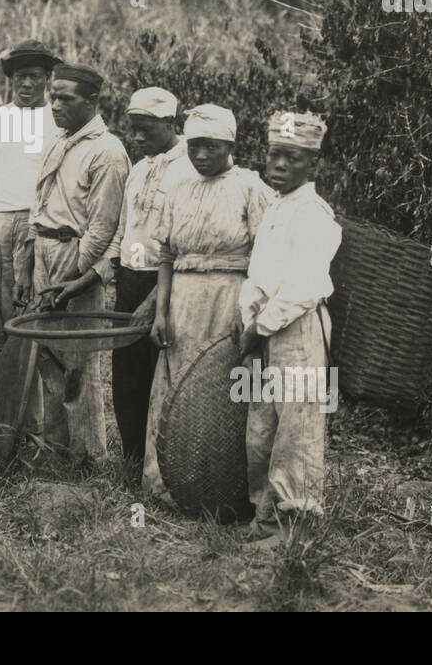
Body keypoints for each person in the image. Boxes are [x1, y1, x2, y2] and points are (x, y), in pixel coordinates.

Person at [143, 104, 273, 498]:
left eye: (211, 147)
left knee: (224, 389)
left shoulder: (251, 188)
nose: (201, 155)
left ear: (230, 145)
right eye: (194, 146)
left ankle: (224, 487)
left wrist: (246, 310)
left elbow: (265, 257)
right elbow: (166, 256)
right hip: (184, 300)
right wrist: (161, 312)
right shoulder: (178, 189)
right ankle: (169, 483)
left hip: (230, 297)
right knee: (178, 387)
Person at [238, 111, 341, 543]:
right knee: (261, 427)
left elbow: (306, 285)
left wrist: (262, 324)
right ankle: (264, 512)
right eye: (274, 155)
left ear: (312, 165)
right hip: (266, 329)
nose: (279, 165)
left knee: (296, 430)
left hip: (297, 331)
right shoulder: (276, 209)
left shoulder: (315, 214)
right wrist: (250, 313)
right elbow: (258, 273)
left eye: (292, 158)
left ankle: (293, 519)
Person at [17, 64, 129, 460]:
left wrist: (73, 276)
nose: (56, 105)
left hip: (75, 254)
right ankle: (56, 450)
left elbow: (103, 228)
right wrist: (28, 261)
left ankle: (88, 456)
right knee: (47, 354)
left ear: (92, 102)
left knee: (80, 360)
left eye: (67, 98)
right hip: (46, 249)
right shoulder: (60, 142)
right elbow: (40, 200)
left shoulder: (108, 152)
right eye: (53, 96)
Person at [92, 87, 197, 472]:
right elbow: (124, 228)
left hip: (166, 282)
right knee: (127, 377)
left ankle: (165, 466)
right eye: (132, 130)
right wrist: (112, 272)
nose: (137, 139)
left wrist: (156, 300)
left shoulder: (190, 167)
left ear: (170, 124)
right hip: (131, 279)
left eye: (145, 130)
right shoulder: (138, 170)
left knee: (162, 377)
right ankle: (133, 461)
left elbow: (181, 244)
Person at [0, 40, 61, 447]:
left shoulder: (57, 121)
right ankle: (5, 426)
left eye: (36, 78)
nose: (28, 85)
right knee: (6, 328)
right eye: (21, 77)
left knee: (38, 323)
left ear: (47, 81)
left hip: (41, 225)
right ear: (10, 80)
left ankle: (41, 430)